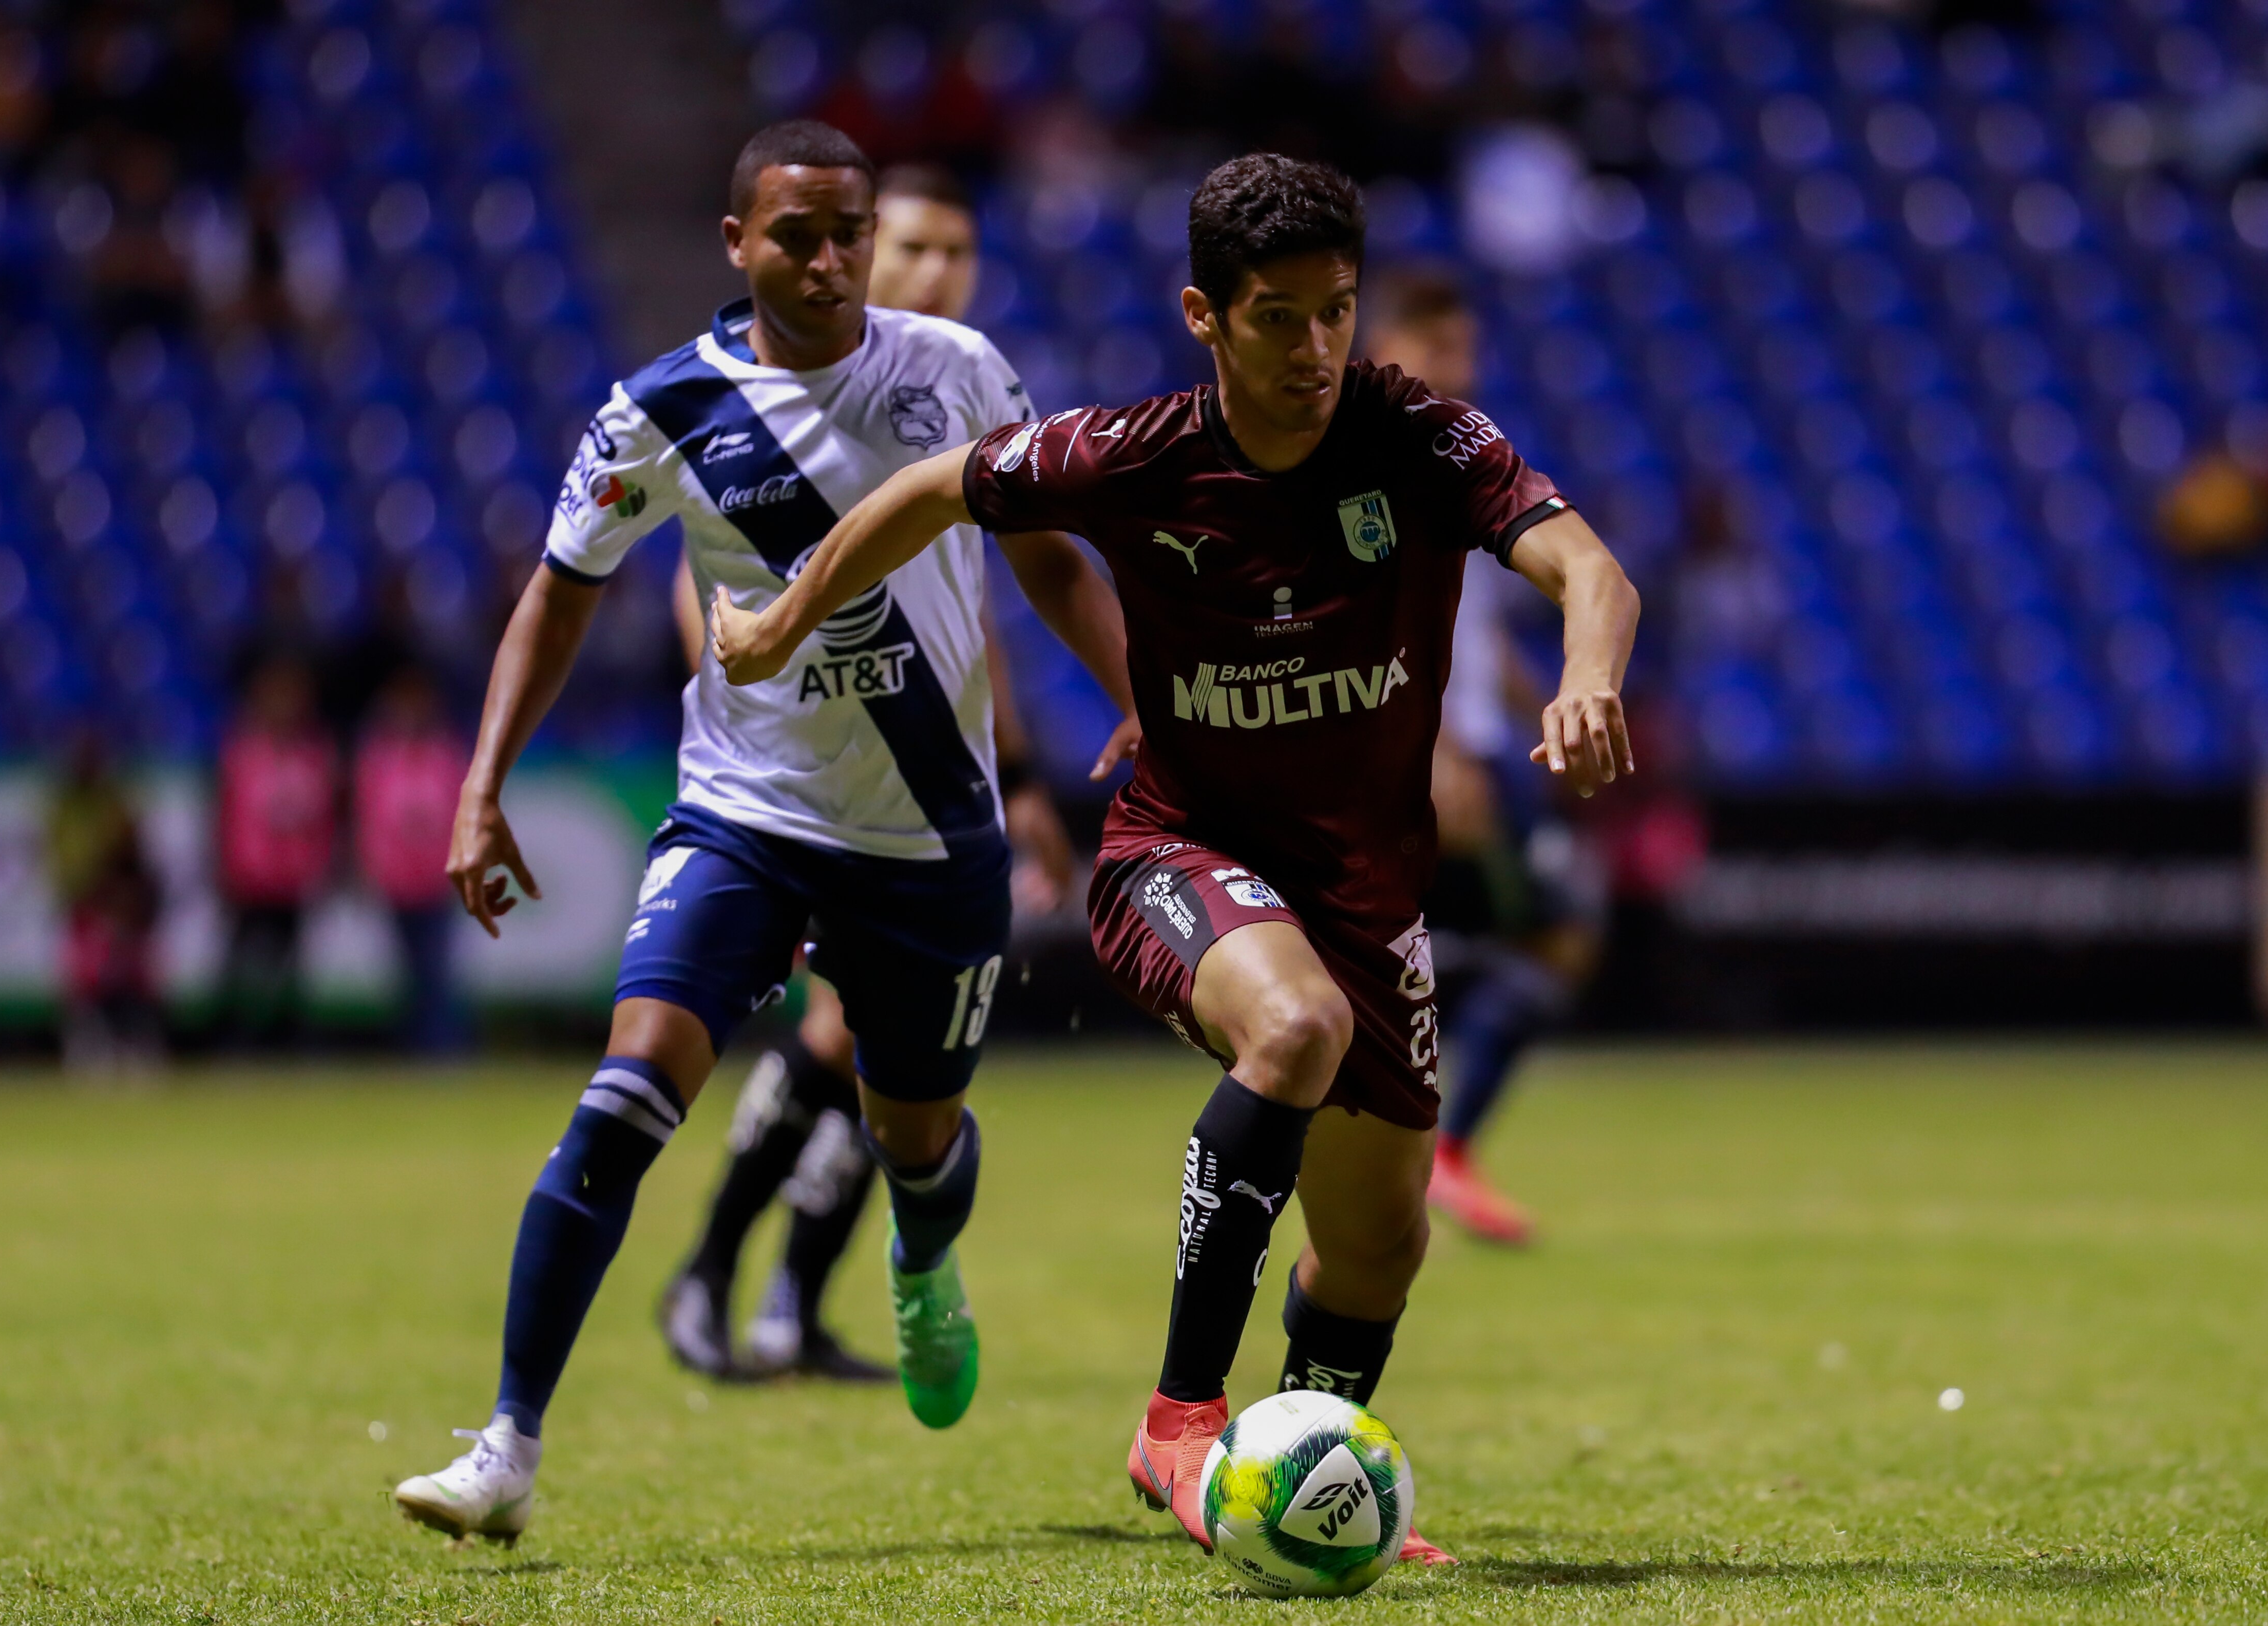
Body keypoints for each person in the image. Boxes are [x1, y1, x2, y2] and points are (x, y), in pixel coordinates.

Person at [713, 153, 1639, 1565]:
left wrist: (1586, 675)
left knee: (1380, 1245)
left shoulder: (1419, 438)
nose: (1315, 348)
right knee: (1294, 1023)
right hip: (1177, 853)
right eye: (1278, 317)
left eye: (1335, 312)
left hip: (1364, 896)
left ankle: (1310, 1467)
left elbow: (1591, 568)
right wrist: (785, 617)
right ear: (1204, 314)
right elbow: (933, 488)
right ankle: (1177, 1418)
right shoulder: (1135, 453)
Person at [393, 121, 1135, 1545]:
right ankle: (505, 1443)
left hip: (928, 834)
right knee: (626, 1095)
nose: (831, 256)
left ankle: (919, 1256)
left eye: (849, 229)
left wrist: (1135, 700)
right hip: (748, 815)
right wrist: (482, 783)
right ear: (736, 244)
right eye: (797, 233)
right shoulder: (659, 409)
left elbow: (1044, 549)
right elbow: (560, 592)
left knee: (915, 1136)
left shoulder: (956, 370)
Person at [657, 161, 1079, 1383]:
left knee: (876, 1059)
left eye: (959, 251)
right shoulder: (779, 400)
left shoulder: (949, 392)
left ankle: (778, 1295)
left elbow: (975, 616)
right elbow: (708, 594)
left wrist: (1026, 779)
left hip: (931, 788)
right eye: (914, 248)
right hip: (801, 790)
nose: (938, 273)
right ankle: (722, 1273)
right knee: (849, 1038)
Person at [1366, 271, 1607, 1246]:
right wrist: (1429, 746)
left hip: (1474, 742)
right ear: (1377, 346)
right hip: (1418, 752)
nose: (1456, 369)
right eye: (1435, 349)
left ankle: (1437, 1146)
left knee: (1557, 930)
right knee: (1544, 931)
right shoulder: (1371, 459)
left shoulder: (1458, 452)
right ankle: (1427, 1150)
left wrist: (1530, 703)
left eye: (1463, 350)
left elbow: (1475, 615)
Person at [215, 654, 338, 1049]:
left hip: (294, 879)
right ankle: (235, 1044)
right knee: (243, 970)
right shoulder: (243, 751)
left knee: (291, 972)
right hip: (250, 879)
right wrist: (224, 866)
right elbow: (225, 813)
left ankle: (285, 1046)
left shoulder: (314, 752)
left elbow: (326, 813)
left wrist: (325, 863)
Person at [355, 665, 471, 1054]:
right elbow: (369, 815)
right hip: (395, 878)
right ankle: (412, 1044)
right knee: (405, 970)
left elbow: (463, 812)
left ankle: (439, 1045)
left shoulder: (445, 754)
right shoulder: (379, 756)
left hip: (437, 878)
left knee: (435, 967)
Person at [48, 729, 164, 1073]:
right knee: (87, 984)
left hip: (119, 906)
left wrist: (125, 897)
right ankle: (88, 1048)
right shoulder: (64, 807)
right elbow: (61, 859)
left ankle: (135, 1047)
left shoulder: (114, 804)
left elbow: (132, 853)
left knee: (130, 983)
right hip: (86, 908)